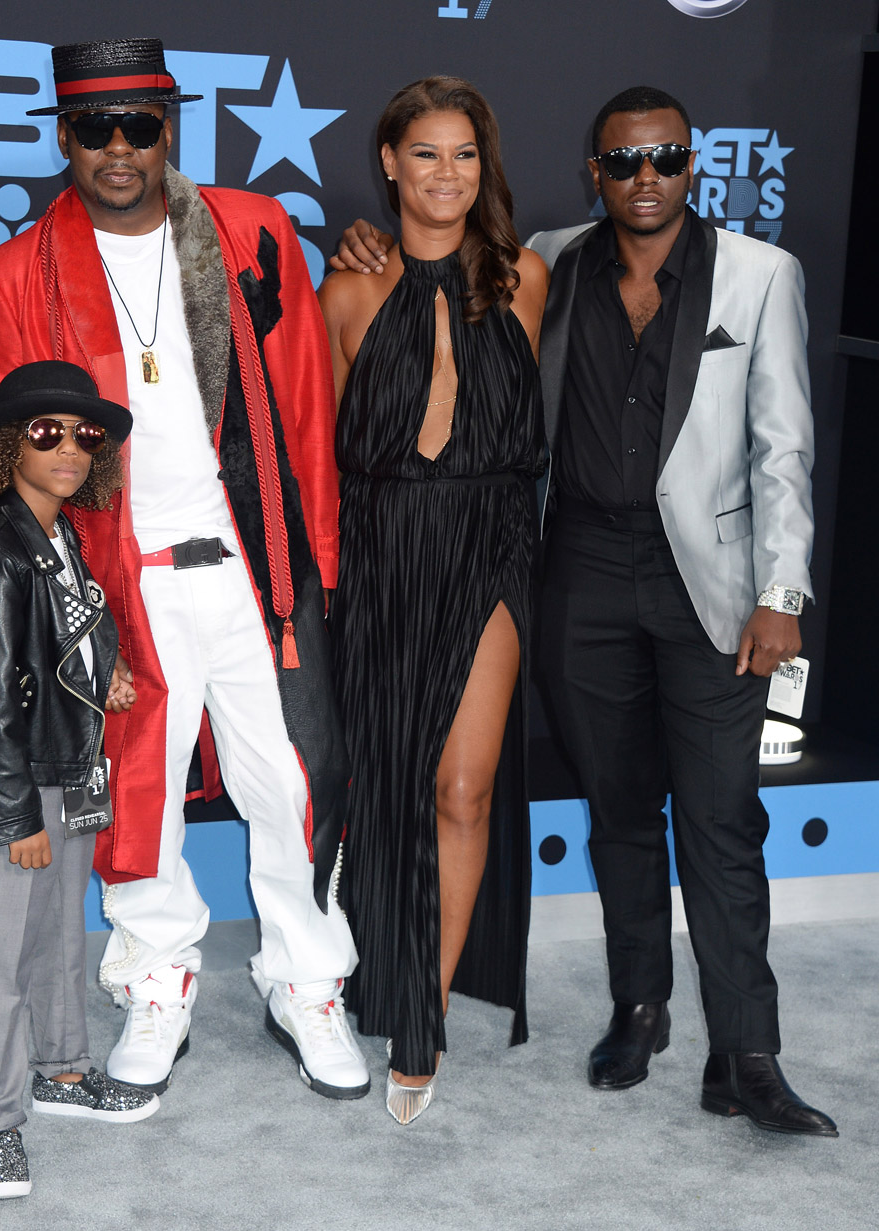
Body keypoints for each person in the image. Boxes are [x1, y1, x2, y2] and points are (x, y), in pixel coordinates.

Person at [334, 83, 836, 1136]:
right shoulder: (553, 262)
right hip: (578, 575)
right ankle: (638, 1007)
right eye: (623, 163)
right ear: (593, 173)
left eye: (664, 159)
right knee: (616, 812)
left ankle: (747, 1053)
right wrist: (367, 249)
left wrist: (782, 593)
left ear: (691, 163)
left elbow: (784, 448)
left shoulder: (758, 274)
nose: (644, 178)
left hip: (713, 588)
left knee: (719, 818)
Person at [0, 38, 368, 1101]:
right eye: (95, 127)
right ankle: (156, 978)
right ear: (63, 136)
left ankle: (305, 979)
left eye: (139, 123)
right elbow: (0, 459)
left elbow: (305, 408)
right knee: (138, 794)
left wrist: (316, 560)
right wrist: (53, 603)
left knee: (292, 780)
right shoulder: (15, 274)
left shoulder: (250, 232)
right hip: (115, 579)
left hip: (251, 563)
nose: (119, 148)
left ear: (169, 127)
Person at [318, 77, 548, 1123]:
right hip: (381, 555)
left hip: (491, 547)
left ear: (481, 165)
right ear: (389, 163)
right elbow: (325, 456)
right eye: (425, 154)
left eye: (463, 155)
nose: (445, 174)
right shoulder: (351, 289)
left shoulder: (526, 280)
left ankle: (428, 1015)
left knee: (464, 787)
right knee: (392, 790)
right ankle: (383, 974)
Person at [0, 360, 157, 1199]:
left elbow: (54, 648)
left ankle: (62, 1070)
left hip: (66, 771)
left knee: (62, 936)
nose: (69, 447)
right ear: (8, 445)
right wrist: (11, 818)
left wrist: (103, 675)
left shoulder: (59, 539)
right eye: (45, 432)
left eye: (85, 434)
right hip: (17, 786)